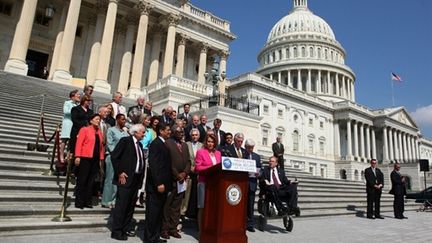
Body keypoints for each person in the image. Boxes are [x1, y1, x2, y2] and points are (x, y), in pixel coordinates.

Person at [110, 124, 146, 241]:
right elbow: (115, 156)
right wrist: (120, 172)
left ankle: (125, 228)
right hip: (125, 178)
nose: (144, 134)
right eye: (142, 132)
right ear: (135, 132)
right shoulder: (125, 141)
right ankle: (117, 231)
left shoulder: (140, 145)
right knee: (122, 206)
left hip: (135, 179)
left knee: (130, 206)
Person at [161, 125, 191, 239]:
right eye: (179, 132)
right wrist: (177, 175)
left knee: (176, 206)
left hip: (182, 180)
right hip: (171, 179)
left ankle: (173, 228)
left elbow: (188, 161)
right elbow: (168, 162)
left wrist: (184, 173)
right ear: (173, 133)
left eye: (182, 131)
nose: (182, 133)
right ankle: (164, 229)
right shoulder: (168, 143)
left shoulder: (184, 145)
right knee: (167, 205)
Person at [144, 123, 172, 243]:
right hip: (156, 186)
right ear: (161, 131)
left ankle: (155, 236)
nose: (169, 132)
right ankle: (150, 238)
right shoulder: (156, 144)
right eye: (167, 130)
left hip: (163, 186)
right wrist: (158, 183)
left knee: (159, 213)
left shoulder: (163, 144)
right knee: (153, 213)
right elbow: (154, 165)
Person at [74, 114, 104, 209]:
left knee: (91, 181)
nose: (98, 121)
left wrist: (100, 159)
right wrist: (77, 156)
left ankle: (87, 201)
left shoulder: (99, 132)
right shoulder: (85, 129)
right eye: (96, 119)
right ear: (91, 120)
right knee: (82, 180)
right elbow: (79, 143)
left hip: (95, 159)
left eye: (99, 119)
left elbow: (101, 147)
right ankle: (79, 201)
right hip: (85, 157)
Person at [195, 134, 222, 233]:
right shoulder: (201, 152)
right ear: (206, 142)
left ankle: (210, 229)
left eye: (212, 142)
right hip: (204, 183)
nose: (210, 144)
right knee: (202, 207)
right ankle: (201, 230)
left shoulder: (218, 153)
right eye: (209, 141)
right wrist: (211, 167)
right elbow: (198, 168)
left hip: (215, 184)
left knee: (213, 207)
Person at [101, 114, 128, 209]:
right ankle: (106, 200)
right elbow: (110, 144)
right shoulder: (111, 130)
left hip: (121, 159)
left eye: (125, 120)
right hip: (112, 157)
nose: (124, 121)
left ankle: (115, 200)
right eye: (122, 119)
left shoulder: (125, 133)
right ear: (117, 120)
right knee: (110, 178)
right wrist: (117, 154)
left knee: (118, 179)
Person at [181, 128, 202, 219]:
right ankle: (182, 212)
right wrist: (189, 168)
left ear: (199, 136)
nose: (194, 137)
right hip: (189, 172)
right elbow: (185, 158)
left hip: (198, 173)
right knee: (186, 194)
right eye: (193, 135)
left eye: (196, 135)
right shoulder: (186, 144)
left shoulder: (202, 145)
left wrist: (197, 168)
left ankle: (194, 214)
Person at [244, 139, 262, 232]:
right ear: (245, 146)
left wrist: (259, 174)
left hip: (252, 183)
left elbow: (260, 169)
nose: (250, 149)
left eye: (252, 148)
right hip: (243, 182)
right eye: (249, 147)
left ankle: (250, 224)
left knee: (250, 204)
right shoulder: (242, 155)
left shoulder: (257, 157)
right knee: (242, 204)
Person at [59, 89, 80, 165]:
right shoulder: (67, 102)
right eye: (77, 94)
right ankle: (61, 155)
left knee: (71, 141)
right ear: (73, 96)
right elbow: (65, 111)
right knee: (64, 140)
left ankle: (67, 156)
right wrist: (74, 111)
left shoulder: (77, 105)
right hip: (68, 123)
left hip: (74, 124)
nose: (79, 96)